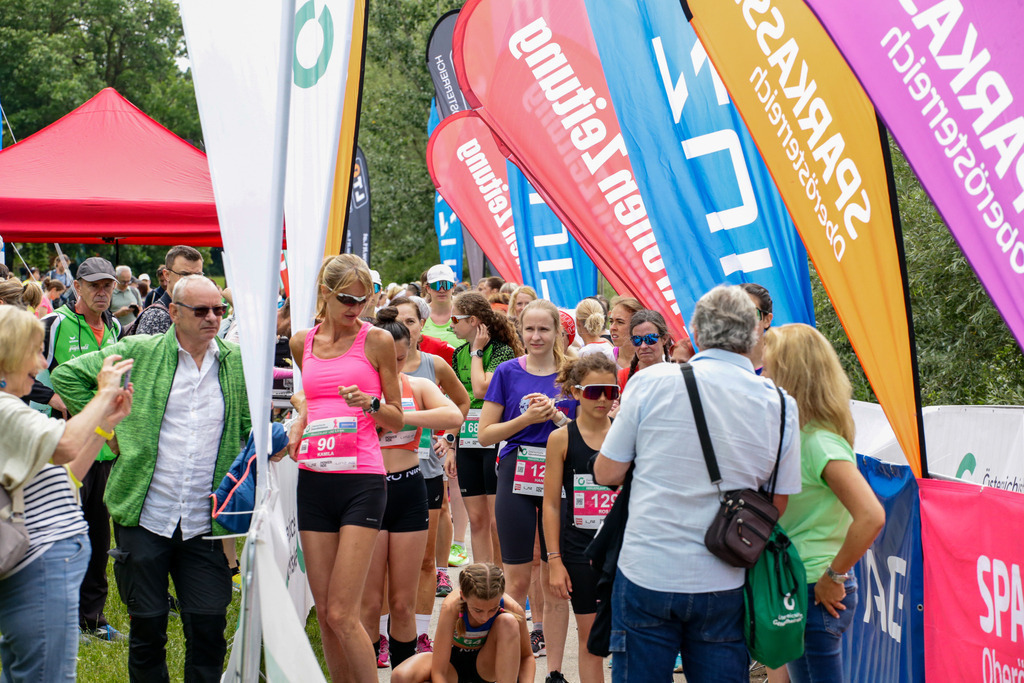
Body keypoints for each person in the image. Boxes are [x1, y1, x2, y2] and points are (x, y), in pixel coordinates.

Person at [592, 285, 801, 683]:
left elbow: (607, 473)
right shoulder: (780, 404)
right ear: (754, 334)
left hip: (647, 569)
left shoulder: (652, 382)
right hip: (725, 575)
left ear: (696, 333)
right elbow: (778, 504)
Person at [52, 275, 251, 682]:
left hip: (204, 521)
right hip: (146, 516)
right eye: (202, 310)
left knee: (209, 626)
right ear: (174, 312)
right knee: (147, 628)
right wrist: (110, 431)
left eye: (219, 309)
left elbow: (248, 424)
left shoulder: (234, 362)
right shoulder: (139, 351)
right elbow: (67, 375)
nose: (213, 318)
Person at [286, 254, 404, 683]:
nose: (356, 307)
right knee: (325, 614)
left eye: (363, 299)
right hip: (315, 479)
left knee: (342, 612)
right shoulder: (301, 342)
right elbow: (311, 399)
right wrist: (299, 422)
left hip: (361, 481)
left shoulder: (377, 341)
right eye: (347, 299)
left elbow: (397, 418)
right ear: (325, 293)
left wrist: (370, 404)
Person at [0, 306, 133, 682]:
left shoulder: (11, 408)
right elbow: (66, 445)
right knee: (49, 674)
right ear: (9, 353)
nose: (42, 364)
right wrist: (102, 395)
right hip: (39, 565)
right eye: (35, 352)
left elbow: (65, 476)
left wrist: (105, 425)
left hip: (39, 563)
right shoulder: (6, 409)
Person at [762, 324, 885, 683]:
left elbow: (871, 515)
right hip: (801, 586)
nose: (763, 377)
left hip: (816, 590)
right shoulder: (803, 436)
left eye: (769, 368)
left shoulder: (819, 442)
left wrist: (834, 576)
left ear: (790, 375)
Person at [477, 298, 577, 674]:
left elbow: (591, 433)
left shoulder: (573, 372)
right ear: (520, 331)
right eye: (529, 329)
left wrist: (557, 418)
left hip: (561, 472)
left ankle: (554, 672)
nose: (536, 336)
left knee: (556, 580)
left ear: (558, 332)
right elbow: (486, 434)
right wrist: (527, 419)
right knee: (516, 579)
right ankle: (513, 668)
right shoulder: (507, 372)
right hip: (517, 471)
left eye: (544, 329)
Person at [362, 309, 464, 669]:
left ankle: (403, 673)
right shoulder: (360, 390)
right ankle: (369, 664)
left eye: (401, 359)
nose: (394, 367)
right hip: (369, 492)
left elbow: (454, 415)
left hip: (409, 489)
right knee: (370, 602)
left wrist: (397, 416)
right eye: (386, 360)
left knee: (403, 603)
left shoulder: (416, 386)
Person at [35, 256, 124, 640]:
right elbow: (14, 368)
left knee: (99, 537)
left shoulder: (116, 326)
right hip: (63, 447)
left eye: (108, 286)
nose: (102, 292)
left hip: (103, 449)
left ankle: (93, 619)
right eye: (94, 286)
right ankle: (57, 618)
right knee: (60, 536)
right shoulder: (53, 324)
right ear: (77, 287)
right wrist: (52, 397)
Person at [389, 296, 471, 648]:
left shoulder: (433, 365)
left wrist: (448, 439)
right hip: (385, 472)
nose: (404, 327)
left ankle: (421, 633)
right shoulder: (374, 367)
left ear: (422, 325)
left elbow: (462, 403)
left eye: (410, 321)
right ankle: (383, 635)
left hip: (426, 470)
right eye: (398, 320)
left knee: (424, 560)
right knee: (385, 564)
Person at [543, 354, 619, 683]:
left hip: (622, 550)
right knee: (590, 640)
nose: (602, 399)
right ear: (576, 392)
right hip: (579, 550)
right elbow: (550, 504)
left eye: (610, 392)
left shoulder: (624, 434)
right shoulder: (561, 439)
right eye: (593, 391)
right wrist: (554, 560)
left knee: (628, 638)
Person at [442, 292, 522, 568]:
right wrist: (450, 444)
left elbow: (481, 389)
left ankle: (502, 580)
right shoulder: (458, 354)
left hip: (494, 441)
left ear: (473, 320)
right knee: (476, 520)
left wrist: (477, 351)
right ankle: (482, 579)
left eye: (456, 319)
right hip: (467, 442)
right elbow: (458, 402)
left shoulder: (501, 351)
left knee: (496, 522)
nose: (451, 325)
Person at [392, 563, 535, 683]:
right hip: (452, 667)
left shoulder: (512, 607)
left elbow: (527, 657)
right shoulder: (451, 607)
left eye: (493, 609)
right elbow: (439, 671)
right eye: (478, 610)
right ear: (463, 596)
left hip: (487, 667)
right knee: (400, 676)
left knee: (509, 621)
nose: (485, 617)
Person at [129, 245, 204, 336]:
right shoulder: (156, 317)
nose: (192, 280)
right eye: (184, 274)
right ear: (167, 275)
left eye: (197, 275)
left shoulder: (203, 312)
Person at [620, 309, 672, 387]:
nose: (643, 346)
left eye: (650, 338)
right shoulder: (621, 378)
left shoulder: (676, 376)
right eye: (637, 340)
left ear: (664, 339)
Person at [422, 264, 463, 351]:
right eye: (436, 285)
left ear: (453, 287)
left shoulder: (464, 314)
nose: (441, 290)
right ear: (428, 288)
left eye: (446, 285)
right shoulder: (420, 314)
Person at [607, 296, 643, 379]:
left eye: (620, 322)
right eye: (611, 321)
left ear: (637, 325)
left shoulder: (650, 360)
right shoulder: (606, 359)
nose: (612, 327)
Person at [741, 282, 774, 373]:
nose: (741, 320)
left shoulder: (784, 368)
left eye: (751, 313)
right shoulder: (715, 369)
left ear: (767, 320)